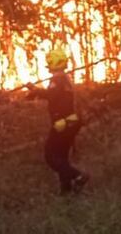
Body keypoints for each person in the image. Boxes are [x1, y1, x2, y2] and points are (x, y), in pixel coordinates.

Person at [25, 48, 90, 195]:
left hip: (63, 124)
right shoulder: (65, 79)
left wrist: (34, 89)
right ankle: (65, 192)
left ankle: (78, 176)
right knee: (62, 157)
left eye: (49, 62)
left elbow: (51, 95)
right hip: (71, 122)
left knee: (51, 156)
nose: (47, 65)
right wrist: (35, 94)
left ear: (53, 63)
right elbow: (56, 97)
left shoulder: (57, 80)